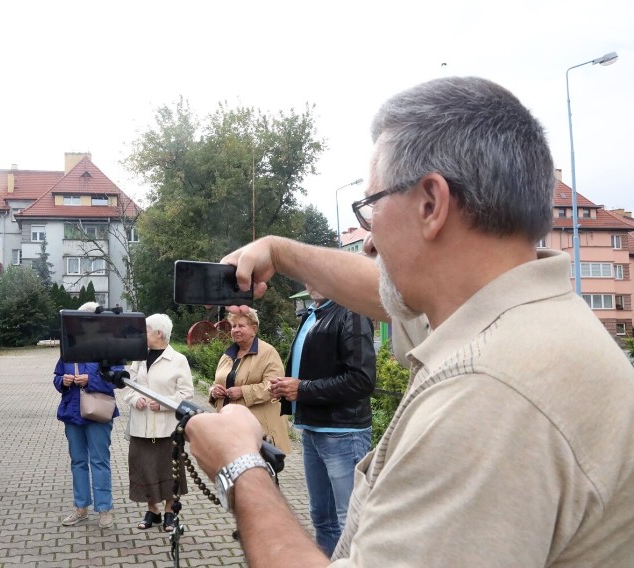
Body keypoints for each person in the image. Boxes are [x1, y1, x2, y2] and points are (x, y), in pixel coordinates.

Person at [184, 76, 634, 567]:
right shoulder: (519, 319)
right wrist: (278, 251)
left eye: (370, 206)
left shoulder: (489, 393)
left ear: (430, 204)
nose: (369, 241)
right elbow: (381, 291)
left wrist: (239, 468)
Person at [270, 283, 375, 556]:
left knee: (351, 524)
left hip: (343, 433)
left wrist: (302, 389)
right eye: (307, 276)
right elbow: (312, 368)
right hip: (312, 429)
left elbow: (362, 380)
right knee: (322, 520)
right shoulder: (312, 315)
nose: (311, 281)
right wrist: (285, 387)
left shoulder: (352, 312)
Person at [122, 313, 194, 532]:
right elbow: (128, 386)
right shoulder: (139, 357)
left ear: (158, 334)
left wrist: (162, 404)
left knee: (168, 471)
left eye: (145, 330)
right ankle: (153, 511)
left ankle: (170, 512)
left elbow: (186, 394)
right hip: (140, 427)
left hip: (167, 429)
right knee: (144, 469)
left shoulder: (178, 360)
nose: (142, 335)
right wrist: (136, 398)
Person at [54, 301, 121, 529]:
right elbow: (56, 376)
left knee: (99, 461)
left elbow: (119, 378)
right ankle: (81, 508)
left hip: (98, 411)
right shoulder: (69, 346)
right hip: (72, 412)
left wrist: (91, 380)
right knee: (78, 462)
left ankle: (104, 508)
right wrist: (62, 381)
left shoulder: (108, 346)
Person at [208, 310, 291, 455]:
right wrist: (213, 392)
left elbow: (273, 385)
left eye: (241, 326)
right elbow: (218, 382)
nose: (236, 330)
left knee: (260, 473)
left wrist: (243, 392)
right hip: (229, 427)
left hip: (258, 429)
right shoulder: (228, 355)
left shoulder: (268, 352)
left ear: (254, 328)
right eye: (233, 326)